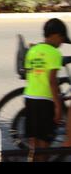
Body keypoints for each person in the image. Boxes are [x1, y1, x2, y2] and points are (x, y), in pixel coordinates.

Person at [24, 18, 71, 161]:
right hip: (45, 102)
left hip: (30, 98)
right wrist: (57, 106)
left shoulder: (32, 50)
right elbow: (52, 82)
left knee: (34, 143)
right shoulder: (54, 54)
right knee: (45, 144)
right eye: (62, 38)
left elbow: (28, 73)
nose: (61, 43)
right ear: (55, 35)